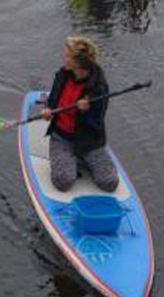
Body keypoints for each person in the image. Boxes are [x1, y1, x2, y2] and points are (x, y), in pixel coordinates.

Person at [34, 35, 118, 192]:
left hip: (90, 141)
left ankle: (81, 158)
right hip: (62, 137)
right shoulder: (62, 75)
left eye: (67, 56)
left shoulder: (99, 87)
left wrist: (86, 111)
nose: (63, 58)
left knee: (110, 183)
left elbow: (97, 122)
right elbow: (52, 101)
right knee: (63, 182)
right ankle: (70, 159)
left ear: (78, 63)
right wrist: (48, 111)